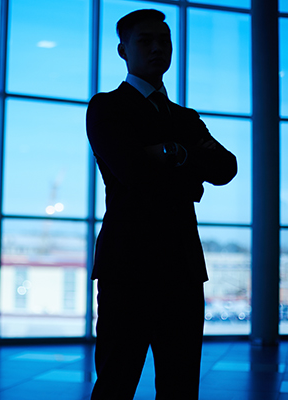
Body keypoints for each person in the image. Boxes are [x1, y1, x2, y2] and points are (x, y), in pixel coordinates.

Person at [86, 9, 237, 399]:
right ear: (123, 50)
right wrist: (189, 165)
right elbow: (131, 170)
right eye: (145, 40)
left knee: (181, 386)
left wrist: (170, 153)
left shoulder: (185, 117)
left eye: (163, 41)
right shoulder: (107, 107)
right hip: (127, 268)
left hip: (182, 267)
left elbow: (226, 167)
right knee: (116, 383)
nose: (157, 48)